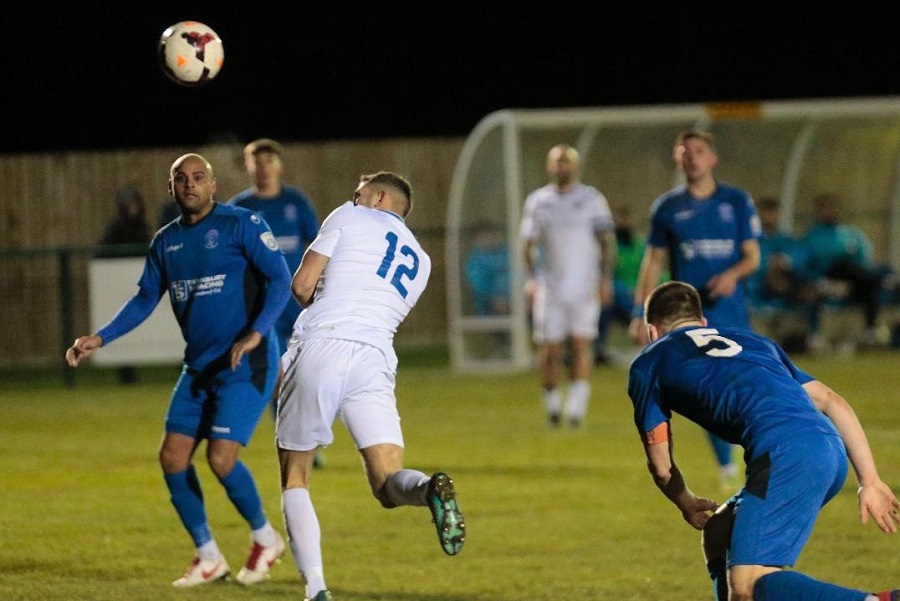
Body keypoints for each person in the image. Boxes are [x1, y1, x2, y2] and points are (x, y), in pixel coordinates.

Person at [65, 153, 293, 587]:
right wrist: (99, 337)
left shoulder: (241, 224)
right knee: (172, 457)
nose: (190, 184)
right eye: (180, 179)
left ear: (212, 185)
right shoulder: (165, 242)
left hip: (246, 361)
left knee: (221, 459)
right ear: (171, 189)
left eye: (198, 177)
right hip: (200, 366)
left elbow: (280, 280)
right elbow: (144, 299)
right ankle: (208, 556)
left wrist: (257, 333)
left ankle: (265, 537)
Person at [627, 280, 899, 601]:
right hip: (828, 448)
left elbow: (661, 467)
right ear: (703, 323)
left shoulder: (649, 362)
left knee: (747, 584)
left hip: (786, 453)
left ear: (652, 332)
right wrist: (869, 480)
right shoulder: (752, 340)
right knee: (719, 531)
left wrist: (685, 501)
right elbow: (830, 401)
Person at [277, 171, 465, 601]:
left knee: (295, 476)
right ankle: (427, 488)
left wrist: (319, 301)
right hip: (375, 357)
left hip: (325, 342)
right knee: (388, 482)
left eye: (358, 192)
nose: (353, 196)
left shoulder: (348, 215)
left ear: (378, 196)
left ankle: (317, 589)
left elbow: (303, 284)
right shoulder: (420, 258)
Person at [628, 129, 761, 490]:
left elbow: (752, 257)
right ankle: (727, 466)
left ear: (713, 158)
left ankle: (747, 453)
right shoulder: (668, 208)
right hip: (687, 317)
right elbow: (652, 261)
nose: (692, 158)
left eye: (699, 151)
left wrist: (731, 275)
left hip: (732, 312)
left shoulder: (735, 201)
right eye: (685, 152)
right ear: (677, 159)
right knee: (704, 391)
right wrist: (641, 312)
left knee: (743, 386)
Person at [227, 138, 324, 468]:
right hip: (262, 304)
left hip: (298, 300)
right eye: (257, 161)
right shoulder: (239, 208)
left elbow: (318, 244)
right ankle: (293, 437)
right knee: (275, 373)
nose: (264, 167)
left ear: (279, 165)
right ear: (248, 166)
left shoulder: (296, 201)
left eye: (269, 160)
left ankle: (308, 433)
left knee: (309, 371)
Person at [519, 143, 615, 428]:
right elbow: (527, 244)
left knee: (580, 345)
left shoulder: (591, 199)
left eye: (566, 162)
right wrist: (531, 279)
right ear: (550, 167)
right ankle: (552, 408)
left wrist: (605, 279)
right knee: (549, 350)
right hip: (550, 287)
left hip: (584, 286)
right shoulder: (538, 201)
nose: (562, 167)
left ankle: (575, 410)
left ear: (576, 166)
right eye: (557, 162)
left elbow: (605, 242)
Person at [802, 192, 897, 349]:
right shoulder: (812, 236)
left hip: (855, 282)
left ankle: (871, 331)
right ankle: (886, 282)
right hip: (830, 279)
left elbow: (864, 261)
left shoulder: (851, 234)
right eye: (825, 208)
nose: (829, 212)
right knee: (847, 267)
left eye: (832, 208)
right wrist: (826, 284)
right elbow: (806, 265)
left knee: (870, 283)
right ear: (818, 212)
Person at [746, 196, 826, 351]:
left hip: (788, 284)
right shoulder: (751, 241)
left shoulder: (785, 239)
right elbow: (749, 264)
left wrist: (785, 261)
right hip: (760, 287)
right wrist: (768, 266)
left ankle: (812, 336)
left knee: (811, 290)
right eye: (766, 213)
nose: (770, 217)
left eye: (773, 213)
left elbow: (801, 257)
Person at [594, 203, 666, 364]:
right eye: (620, 220)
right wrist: (625, 289)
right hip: (619, 296)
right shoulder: (612, 249)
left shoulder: (640, 245)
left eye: (627, 220)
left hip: (639, 295)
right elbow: (607, 275)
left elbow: (655, 272)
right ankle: (598, 349)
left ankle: (657, 344)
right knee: (604, 302)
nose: (625, 224)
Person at [96, 185, 153, 384]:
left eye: (134, 203)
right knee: (124, 328)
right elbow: (104, 252)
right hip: (121, 285)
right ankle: (126, 373)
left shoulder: (143, 226)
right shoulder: (116, 227)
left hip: (142, 286)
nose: (132, 208)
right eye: (127, 204)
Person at [465, 220, 511, 317]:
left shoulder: (508, 252)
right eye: (485, 236)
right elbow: (478, 284)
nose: (490, 238)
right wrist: (493, 299)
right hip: (490, 305)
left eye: (492, 234)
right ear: (476, 240)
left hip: (518, 300)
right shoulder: (476, 260)